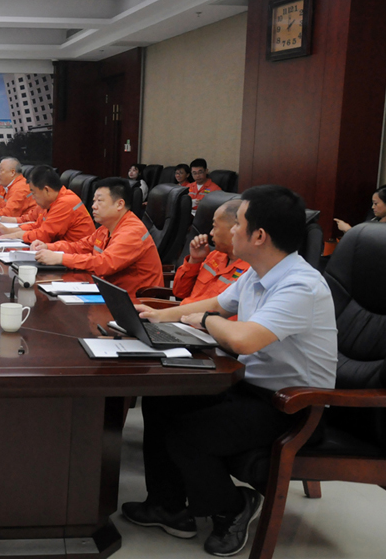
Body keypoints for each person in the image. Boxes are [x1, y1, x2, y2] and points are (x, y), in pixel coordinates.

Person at [125, 185, 337, 557]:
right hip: (249, 387)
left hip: (292, 406)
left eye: (237, 223)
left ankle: (233, 507)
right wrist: (158, 315)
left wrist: (202, 320)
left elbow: (242, 339)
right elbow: (217, 303)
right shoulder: (259, 272)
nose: (230, 230)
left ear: (259, 236)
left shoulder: (300, 286)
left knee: (187, 434)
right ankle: (167, 507)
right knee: (161, 402)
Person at [30, 177, 163, 297]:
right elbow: (80, 246)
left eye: (100, 201)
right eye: (94, 201)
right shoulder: (107, 227)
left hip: (138, 303)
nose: (93, 206)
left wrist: (61, 258)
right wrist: (48, 247)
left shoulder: (131, 231)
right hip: (110, 292)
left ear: (119, 204)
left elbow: (104, 264)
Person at [170, 200, 250, 305]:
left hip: (195, 315)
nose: (211, 233)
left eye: (215, 226)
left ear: (235, 229)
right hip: (183, 312)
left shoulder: (251, 271)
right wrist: (195, 261)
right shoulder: (215, 255)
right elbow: (179, 292)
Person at [0, 166, 96, 244]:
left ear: (46, 190)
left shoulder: (65, 202)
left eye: (33, 192)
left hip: (75, 255)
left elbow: (43, 235)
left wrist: (15, 235)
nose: (33, 198)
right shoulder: (53, 201)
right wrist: (9, 231)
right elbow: (38, 225)